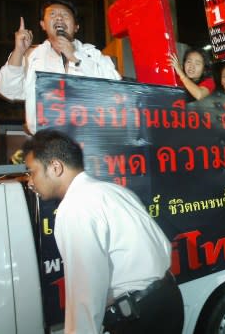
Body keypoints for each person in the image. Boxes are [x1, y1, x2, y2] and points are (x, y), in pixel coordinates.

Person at [23, 129, 184, 334]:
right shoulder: (112, 190)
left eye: (32, 172)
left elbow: (85, 292)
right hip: (166, 300)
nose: (30, 182)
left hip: (139, 318)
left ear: (55, 167)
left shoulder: (75, 207)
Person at [0, 0, 122, 135]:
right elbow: (8, 90)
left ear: (76, 27)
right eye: (53, 14)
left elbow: (114, 88)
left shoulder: (92, 54)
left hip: (89, 138)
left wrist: (75, 57)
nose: (59, 18)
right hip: (46, 142)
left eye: (65, 15)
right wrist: (19, 51)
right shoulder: (30, 55)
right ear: (43, 24)